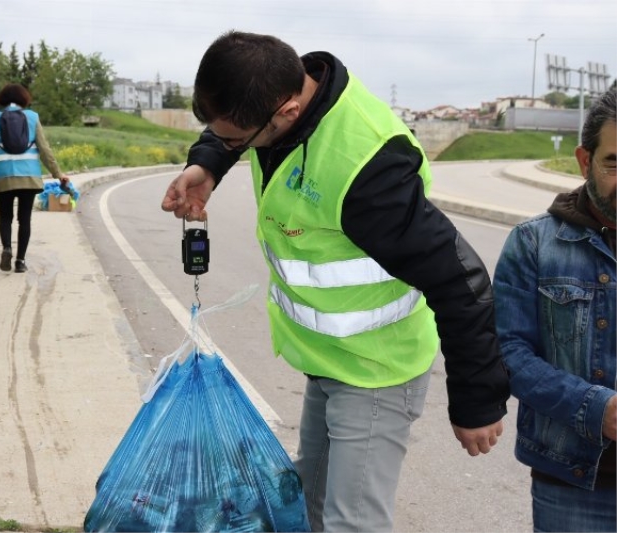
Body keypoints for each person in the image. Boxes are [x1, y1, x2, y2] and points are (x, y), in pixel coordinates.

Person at [160, 31, 509, 532]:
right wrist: (208, 164)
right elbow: (230, 127)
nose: (231, 146)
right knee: (307, 503)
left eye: (236, 140)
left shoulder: (370, 172)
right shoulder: (278, 85)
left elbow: (461, 281)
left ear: (288, 112)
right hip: (327, 359)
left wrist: (478, 400)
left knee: (353, 522)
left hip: (374, 369)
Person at [492, 87, 616, 533]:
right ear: (585, 162)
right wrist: (598, 408)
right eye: (614, 163)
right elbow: (510, 353)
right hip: (573, 484)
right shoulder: (532, 244)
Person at [0, 83, 69, 273]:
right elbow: (44, 149)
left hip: (4, 176)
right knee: (25, 220)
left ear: (2, 99)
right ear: (24, 99)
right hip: (29, 177)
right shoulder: (32, 117)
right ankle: (20, 261)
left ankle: (7, 248)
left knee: (5, 217)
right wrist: (58, 174)